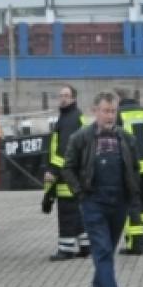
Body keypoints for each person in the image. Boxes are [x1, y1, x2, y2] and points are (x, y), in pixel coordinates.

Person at [61, 92, 142, 287]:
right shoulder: (81, 138)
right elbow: (67, 168)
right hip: (93, 202)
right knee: (102, 250)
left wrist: (133, 203)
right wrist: (80, 193)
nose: (109, 116)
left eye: (113, 111)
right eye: (105, 111)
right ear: (95, 111)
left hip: (119, 203)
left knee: (108, 250)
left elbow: (134, 170)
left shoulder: (126, 139)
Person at [42, 84, 91, 260]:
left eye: (66, 95)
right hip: (77, 173)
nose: (62, 98)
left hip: (68, 174)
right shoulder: (72, 116)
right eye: (60, 95)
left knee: (67, 213)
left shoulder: (69, 119)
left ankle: (66, 249)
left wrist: (53, 171)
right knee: (75, 212)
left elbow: (64, 150)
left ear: (73, 98)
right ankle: (86, 246)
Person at [114, 87, 143, 255]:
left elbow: (115, 140)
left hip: (130, 167)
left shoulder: (119, 115)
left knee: (131, 203)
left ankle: (135, 244)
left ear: (119, 99)